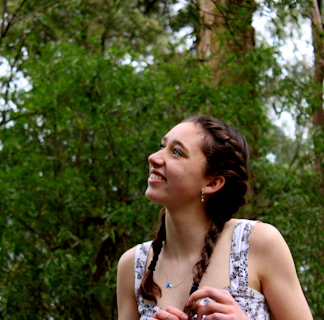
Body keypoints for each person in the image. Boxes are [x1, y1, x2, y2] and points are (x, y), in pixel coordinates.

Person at [117, 115, 313, 320]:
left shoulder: (258, 243)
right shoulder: (132, 265)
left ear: (212, 183)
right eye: (162, 146)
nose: (154, 157)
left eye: (176, 152)